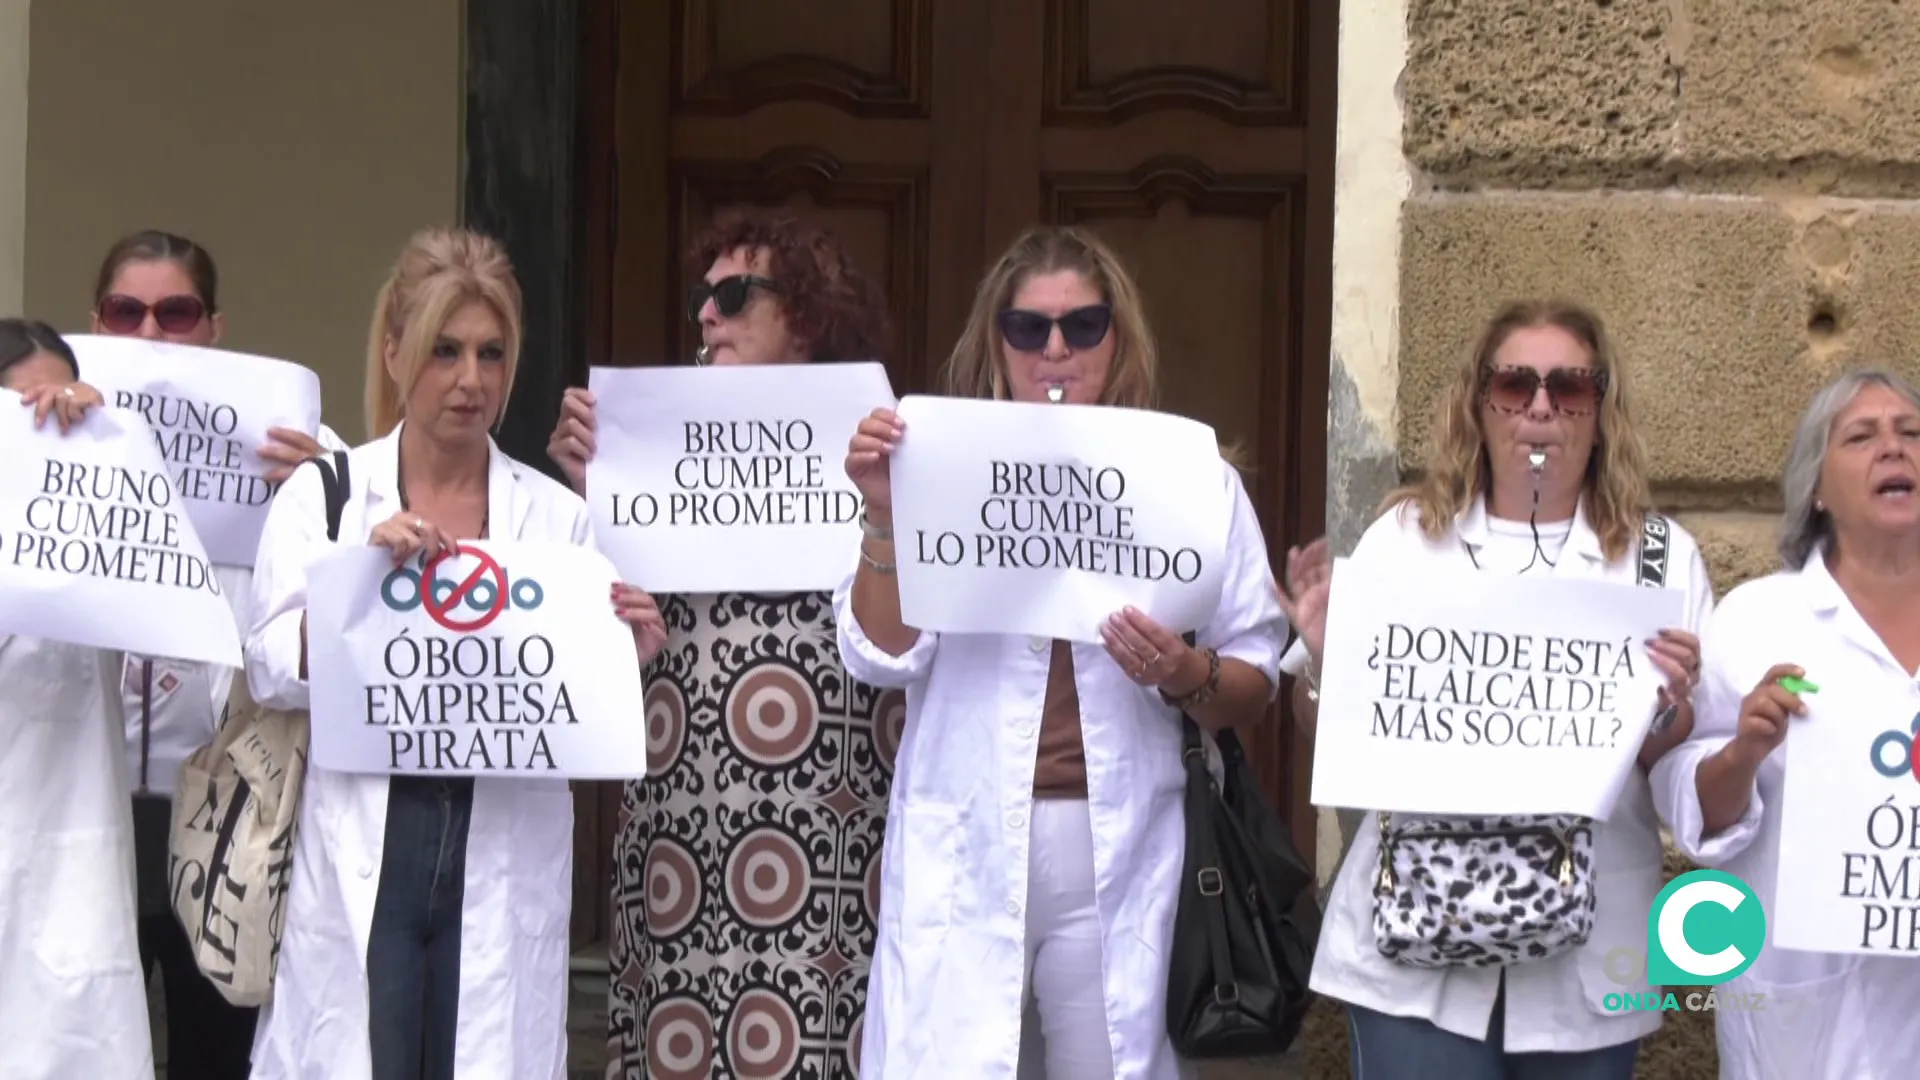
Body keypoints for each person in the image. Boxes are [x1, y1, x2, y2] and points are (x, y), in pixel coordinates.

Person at [834, 225, 1287, 1078]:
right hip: (965, 833)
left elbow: (1254, 678)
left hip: (1122, 841)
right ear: (995, 341)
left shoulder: (1190, 476)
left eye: (1083, 327)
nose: (1054, 350)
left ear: (1119, 340)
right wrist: (887, 513)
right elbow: (877, 654)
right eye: (1027, 328)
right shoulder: (929, 463)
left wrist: (1183, 674)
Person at [244, 227, 667, 1080]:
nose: (470, 381)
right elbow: (267, 668)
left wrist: (633, 657)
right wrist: (359, 580)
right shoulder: (325, 498)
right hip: (374, 845)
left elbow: (581, 707)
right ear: (396, 351)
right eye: (445, 350)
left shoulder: (557, 521)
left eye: (490, 353)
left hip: (498, 844)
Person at [1276, 299, 1714, 1078]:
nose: (1541, 407)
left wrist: (1670, 707)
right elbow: (1336, 745)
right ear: (1479, 405)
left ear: (1600, 408)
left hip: (1587, 951)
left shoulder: (1658, 556)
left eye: (1569, 387)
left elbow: (1671, 759)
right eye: (1515, 384)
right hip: (1416, 948)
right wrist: (1323, 655)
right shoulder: (1406, 542)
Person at [547, 210, 896, 1079]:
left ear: (807, 318)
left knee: (821, 1034)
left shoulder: (878, 446)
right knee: (683, 1033)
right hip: (686, 805)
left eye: (735, 296)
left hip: (833, 818)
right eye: (704, 298)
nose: (707, 315)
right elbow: (609, 634)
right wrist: (597, 494)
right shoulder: (655, 445)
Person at [87, 228, 346, 1078]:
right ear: (97, 322)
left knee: (217, 1053)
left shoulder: (291, 450)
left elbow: (352, 582)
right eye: (128, 313)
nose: (152, 333)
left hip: (226, 814)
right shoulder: (44, 441)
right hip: (91, 807)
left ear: (213, 326)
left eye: (177, 311)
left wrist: (320, 491)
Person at [1652, 368, 1920, 1080]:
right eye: (1862, 437)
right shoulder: (1759, 619)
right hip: (1809, 1026)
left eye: (1912, 434)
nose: (1895, 449)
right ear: (1819, 490)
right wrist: (1744, 750)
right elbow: (1690, 807)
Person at [0, 319, 153, 1078]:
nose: (52, 422)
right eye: (29, 407)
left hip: (68, 875)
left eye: (68, 404)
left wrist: (107, 459)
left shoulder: (99, 523)